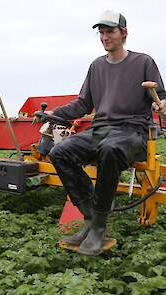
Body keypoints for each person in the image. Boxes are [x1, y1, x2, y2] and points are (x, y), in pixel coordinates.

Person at [48, 10, 166, 256]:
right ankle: (91, 217)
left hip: (133, 132)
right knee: (60, 152)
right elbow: (83, 104)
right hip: (101, 130)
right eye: (101, 32)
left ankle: (99, 226)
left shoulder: (143, 62)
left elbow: (161, 98)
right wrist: (53, 114)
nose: (104, 37)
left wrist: (162, 104)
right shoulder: (96, 66)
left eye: (110, 31)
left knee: (110, 149)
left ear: (124, 33)